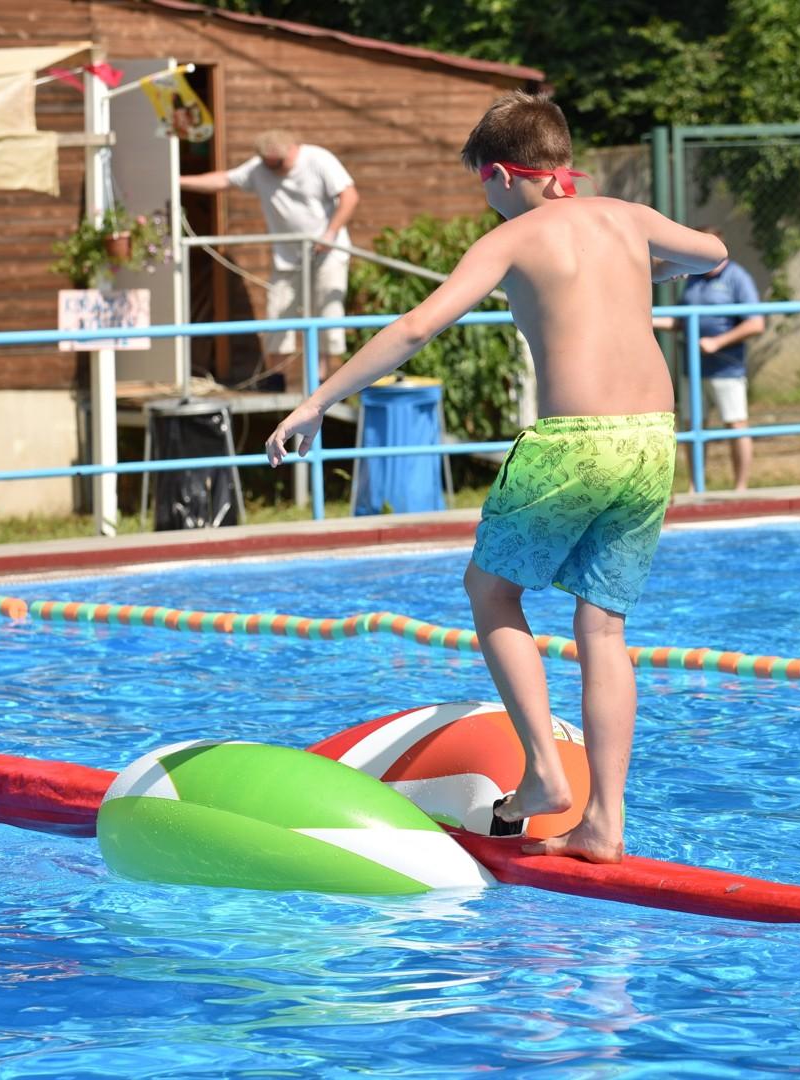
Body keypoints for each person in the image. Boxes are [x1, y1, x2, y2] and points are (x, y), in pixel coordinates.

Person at [263, 91, 727, 864]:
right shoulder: (629, 218)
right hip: (651, 440)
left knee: (491, 592)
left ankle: (545, 775)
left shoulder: (514, 237)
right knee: (602, 628)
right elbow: (713, 251)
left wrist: (316, 402)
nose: (487, 201)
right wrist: (660, 267)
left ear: (506, 175)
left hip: (574, 444)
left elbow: (415, 328)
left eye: (483, 185)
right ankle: (603, 823)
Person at [179, 131, 360, 387]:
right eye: (269, 163)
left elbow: (350, 197)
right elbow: (223, 180)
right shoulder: (260, 168)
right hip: (288, 258)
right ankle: (276, 379)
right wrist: (177, 180)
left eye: (279, 163)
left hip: (327, 252)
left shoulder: (319, 160)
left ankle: (321, 381)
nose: (274, 169)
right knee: (278, 313)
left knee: (326, 313)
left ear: (293, 149)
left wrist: (330, 233)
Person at [654, 229, 764, 490]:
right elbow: (682, 321)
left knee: (735, 424)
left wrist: (718, 342)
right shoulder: (693, 278)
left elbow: (755, 323)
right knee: (693, 427)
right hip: (693, 369)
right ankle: (696, 486)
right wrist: (646, 319)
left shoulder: (737, 277)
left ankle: (740, 487)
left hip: (726, 369)